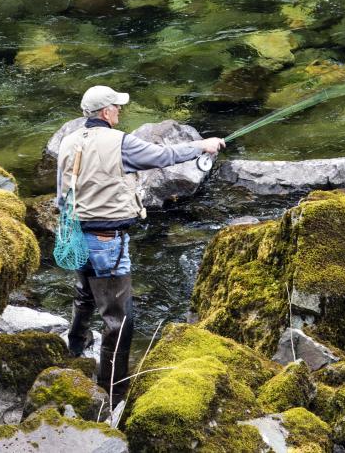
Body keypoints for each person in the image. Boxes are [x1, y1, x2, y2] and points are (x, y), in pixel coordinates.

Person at [57, 85, 225, 405]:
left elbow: (61, 190)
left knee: (85, 294)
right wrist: (203, 146)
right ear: (105, 112)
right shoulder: (120, 143)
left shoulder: (68, 141)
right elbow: (163, 157)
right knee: (120, 322)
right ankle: (113, 392)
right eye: (116, 107)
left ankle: (75, 346)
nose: (120, 111)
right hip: (108, 241)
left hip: (76, 235)